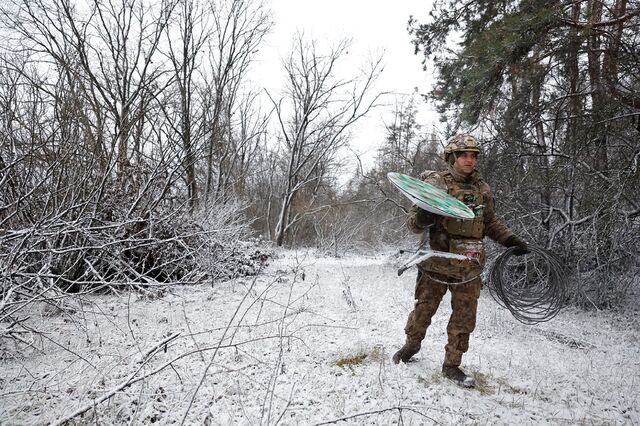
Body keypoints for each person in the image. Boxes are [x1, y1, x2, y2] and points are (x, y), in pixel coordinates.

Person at [392, 134, 529, 387]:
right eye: (464, 155)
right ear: (452, 158)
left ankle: (452, 365)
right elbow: (412, 224)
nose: (470, 159)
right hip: (436, 264)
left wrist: (511, 240)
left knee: (464, 318)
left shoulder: (482, 190)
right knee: (423, 310)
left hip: (469, 265)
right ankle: (410, 347)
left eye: (473, 155)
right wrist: (424, 216)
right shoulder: (434, 184)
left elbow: (489, 223)